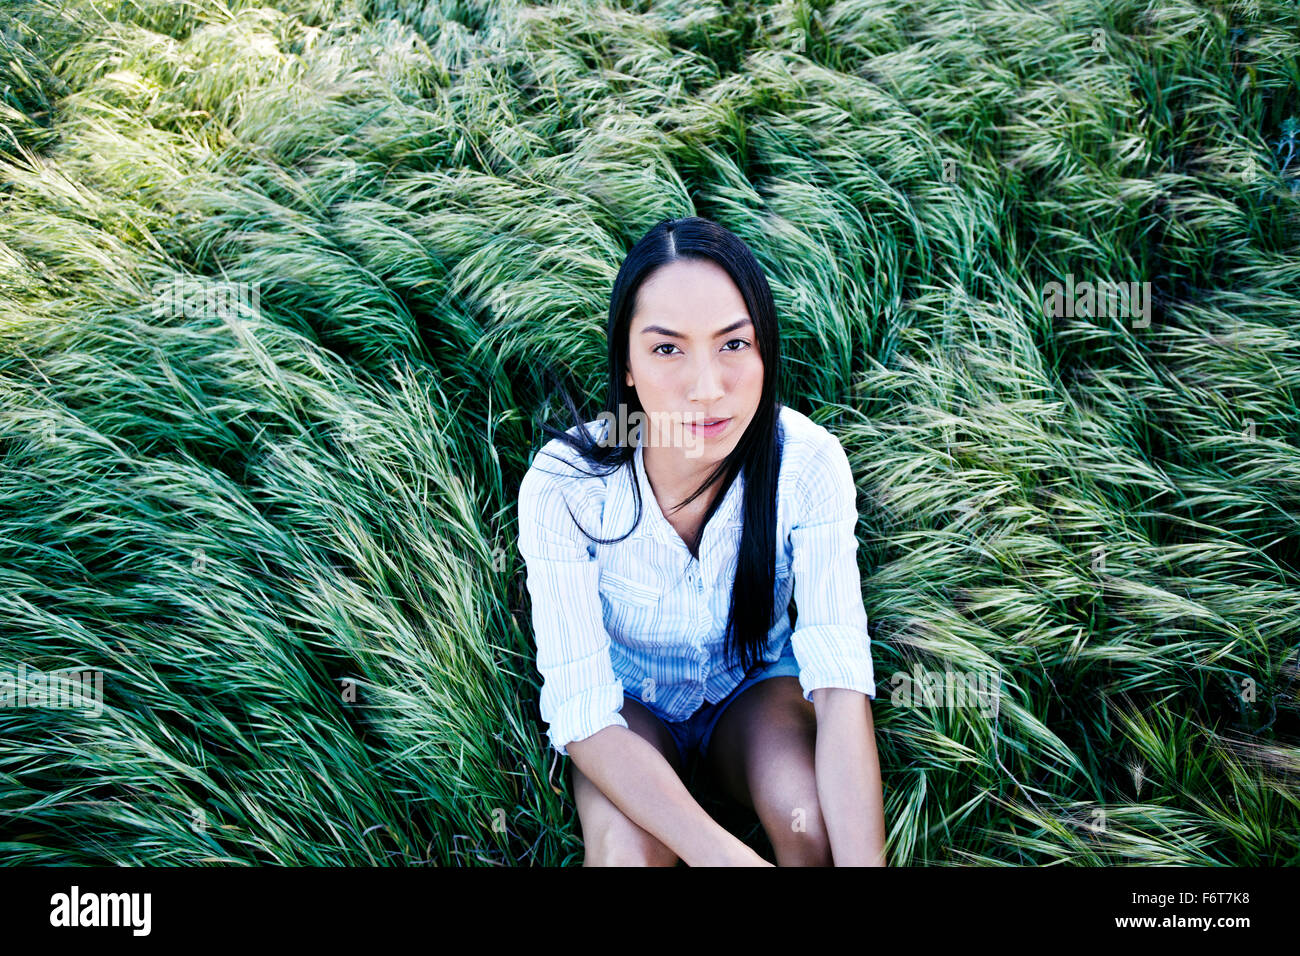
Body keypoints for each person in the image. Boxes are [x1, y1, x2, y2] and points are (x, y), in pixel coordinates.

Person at [516, 216, 886, 866]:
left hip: (752, 691)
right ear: (626, 364)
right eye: (667, 349)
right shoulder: (565, 487)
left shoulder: (807, 462)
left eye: (733, 345)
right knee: (629, 853)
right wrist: (723, 857)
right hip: (628, 713)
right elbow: (581, 712)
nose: (707, 387)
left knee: (812, 828)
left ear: (765, 347)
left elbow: (839, 682)